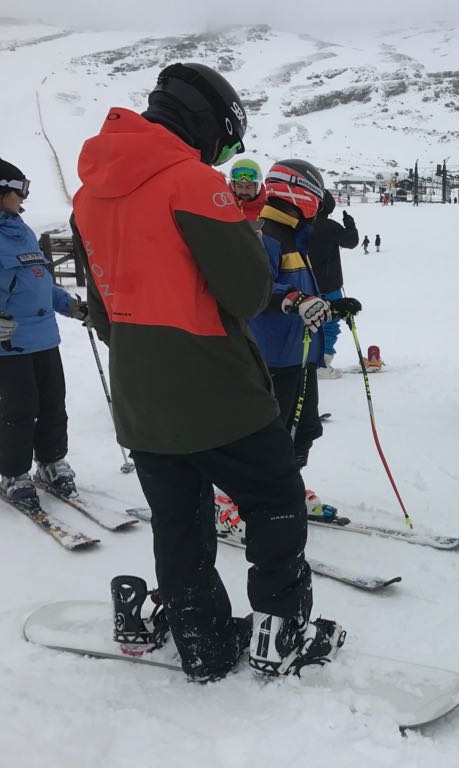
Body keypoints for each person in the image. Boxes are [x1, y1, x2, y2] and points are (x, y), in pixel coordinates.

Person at [71, 63, 344, 682]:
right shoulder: (193, 182)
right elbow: (248, 292)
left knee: (179, 519)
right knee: (274, 496)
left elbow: (103, 312)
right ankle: (279, 628)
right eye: (227, 139)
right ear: (206, 124)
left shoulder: (88, 195)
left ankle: (202, 639)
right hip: (219, 393)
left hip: (140, 398)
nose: (228, 152)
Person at [249, 158, 362, 469]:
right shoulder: (266, 236)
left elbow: (302, 301)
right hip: (276, 359)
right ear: (298, 194)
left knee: (305, 431)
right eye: (316, 196)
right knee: (276, 434)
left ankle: (291, 488)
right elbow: (256, 289)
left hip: (300, 356)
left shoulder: (295, 237)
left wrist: (330, 308)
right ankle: (262, 499)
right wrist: (297, 300)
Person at [0, 159, 87, 505]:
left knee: (53, 404)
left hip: (45, 338)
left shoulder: (23, 231)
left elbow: (41, 283)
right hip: (10, 344)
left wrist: (71, 306)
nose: (25, 196)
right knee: (18, 410)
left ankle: (51, 462)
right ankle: (13, 472)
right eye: (20, 189)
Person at [308, 191, 359, 379]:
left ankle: (308, 360)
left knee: (308, 324)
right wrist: (350, 225)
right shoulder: (329, 226)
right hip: (329, 286)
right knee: (330, 324)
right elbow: (351, 241)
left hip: (305, 284)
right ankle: (323, 362)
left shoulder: (300, 225)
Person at [228, 158, 266, 223]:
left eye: (248, 187)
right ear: (233, 186)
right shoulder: (223, 206)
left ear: (257, 187)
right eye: (239, 186)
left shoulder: (267, 210)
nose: (244, 192)